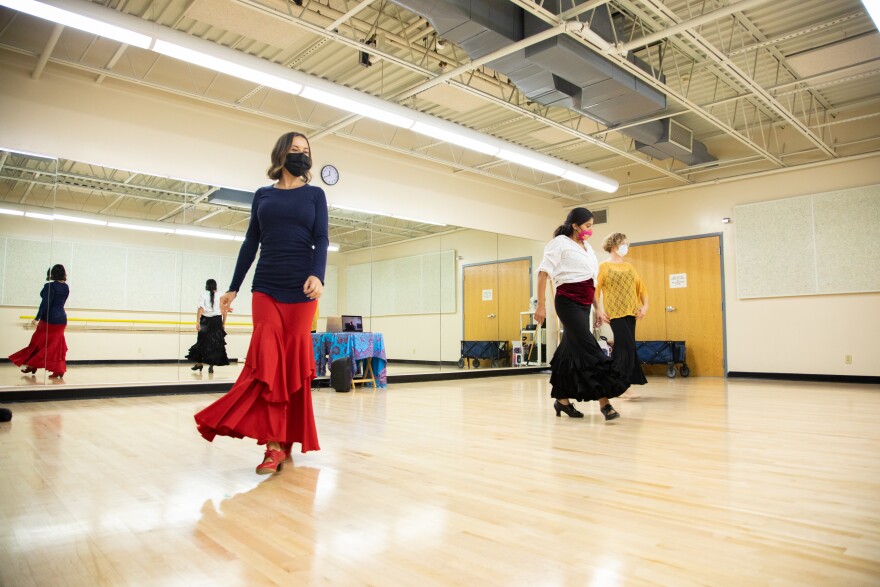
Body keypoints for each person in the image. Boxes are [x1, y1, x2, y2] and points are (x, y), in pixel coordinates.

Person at [194, 131, 328, 475]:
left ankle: (286, 441)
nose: (301, 155)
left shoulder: (315, 195)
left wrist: (318, 276)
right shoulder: (262, 196)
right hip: (266, 286)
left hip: (302, 290)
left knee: (292, 368)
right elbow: (250, 241)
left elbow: (322, 238)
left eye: (306, 151)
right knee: (267, 364)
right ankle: (272, 445)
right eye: (295, 149)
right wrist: (233, 287)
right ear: (282, 154)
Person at [535, 208, 629, 421]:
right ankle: (605, 403)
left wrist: (598, 308)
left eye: (591, 226)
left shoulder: (588, 248)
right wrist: (540, 305)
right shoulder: (559, 243)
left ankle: (562, 400)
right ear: (575, 225)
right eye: (587, 226)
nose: (590, 230)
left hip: (585, 303)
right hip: (567, 302)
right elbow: (543, 273)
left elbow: (591, 281)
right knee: (589, 348)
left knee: (570, 351)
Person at [595, 233, 649, 397]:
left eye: (627, 244)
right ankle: (621, 385)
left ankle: (619, 382)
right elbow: (595, 291)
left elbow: (641, 288)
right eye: (623, 243)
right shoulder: (603, 266)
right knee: (624, 346)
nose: (626, 247)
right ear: (613, 245)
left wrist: (645, 306)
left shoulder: (629, 267)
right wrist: (598, 310)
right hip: (615, 313)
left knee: (628, 346)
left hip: (632, 312)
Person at [9, 264, 69, 379]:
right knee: (56, 345)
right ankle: (59, 370)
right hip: (61, 319)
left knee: (37, 343)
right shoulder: (66, 287)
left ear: (51, 274)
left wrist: (37, 318)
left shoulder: (49, 286)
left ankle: (32, 365)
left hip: (49, 319)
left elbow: (45, 304)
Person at [186, 279, 230, 374]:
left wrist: (197, 322)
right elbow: (224, 311)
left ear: (206, 286)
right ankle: (211, 365)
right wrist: (223, 324)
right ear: (215, 286)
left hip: (205, 321)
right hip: (217, 321)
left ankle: (199, 363)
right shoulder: (221, 295)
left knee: (201, 343)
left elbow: (200, 309)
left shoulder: (203, 294)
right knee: (215, 344)